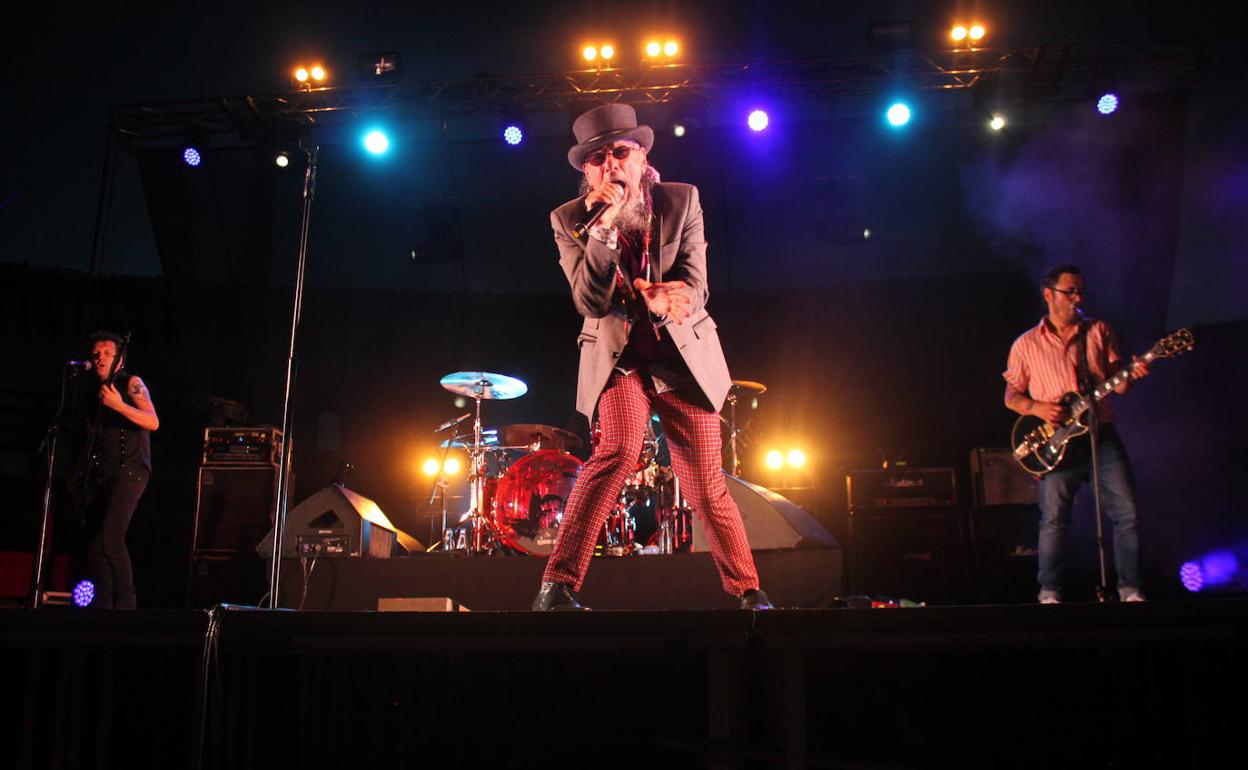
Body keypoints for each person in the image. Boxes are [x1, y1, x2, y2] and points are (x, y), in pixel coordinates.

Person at [532, 103, 772, 611]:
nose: (610, 164)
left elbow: (697, 286)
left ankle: (749, 592)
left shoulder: (681, 201)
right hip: (620, 362)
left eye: (621, 152)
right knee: (616, 450)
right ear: (586, 171)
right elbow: (590, 301)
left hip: (681, 359)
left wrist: (664, 300)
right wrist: (603, 231)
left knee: (706, 484)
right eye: (597, 159)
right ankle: (557, 588)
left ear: (641, 158)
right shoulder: (570, 220)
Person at [1002, 265, 1148, 604]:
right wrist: (1038, 409)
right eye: (1071, 292)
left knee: (1127, 514)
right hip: (1058, 443)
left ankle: (1130, 589)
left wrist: (1134, 372)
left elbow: (1119, 383)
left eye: (1081, 291)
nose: (1078, 298)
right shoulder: (1025, 345)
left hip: (1101, 434)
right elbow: (1011, 397)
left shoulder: (1098, 331)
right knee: (1054, 520)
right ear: (1049, 294)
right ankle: (1049, 592)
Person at [73, 331, 159, 608]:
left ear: (119, 360)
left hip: (130, 471)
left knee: (111, 536)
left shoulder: (131, 383)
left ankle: (126, 607)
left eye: (107, 354)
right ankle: (103, 607)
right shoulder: (91, 392)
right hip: (101, 474)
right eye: (96, 354)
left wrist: (119, 405)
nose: (100, 359)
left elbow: (152, 421)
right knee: (96, 546)